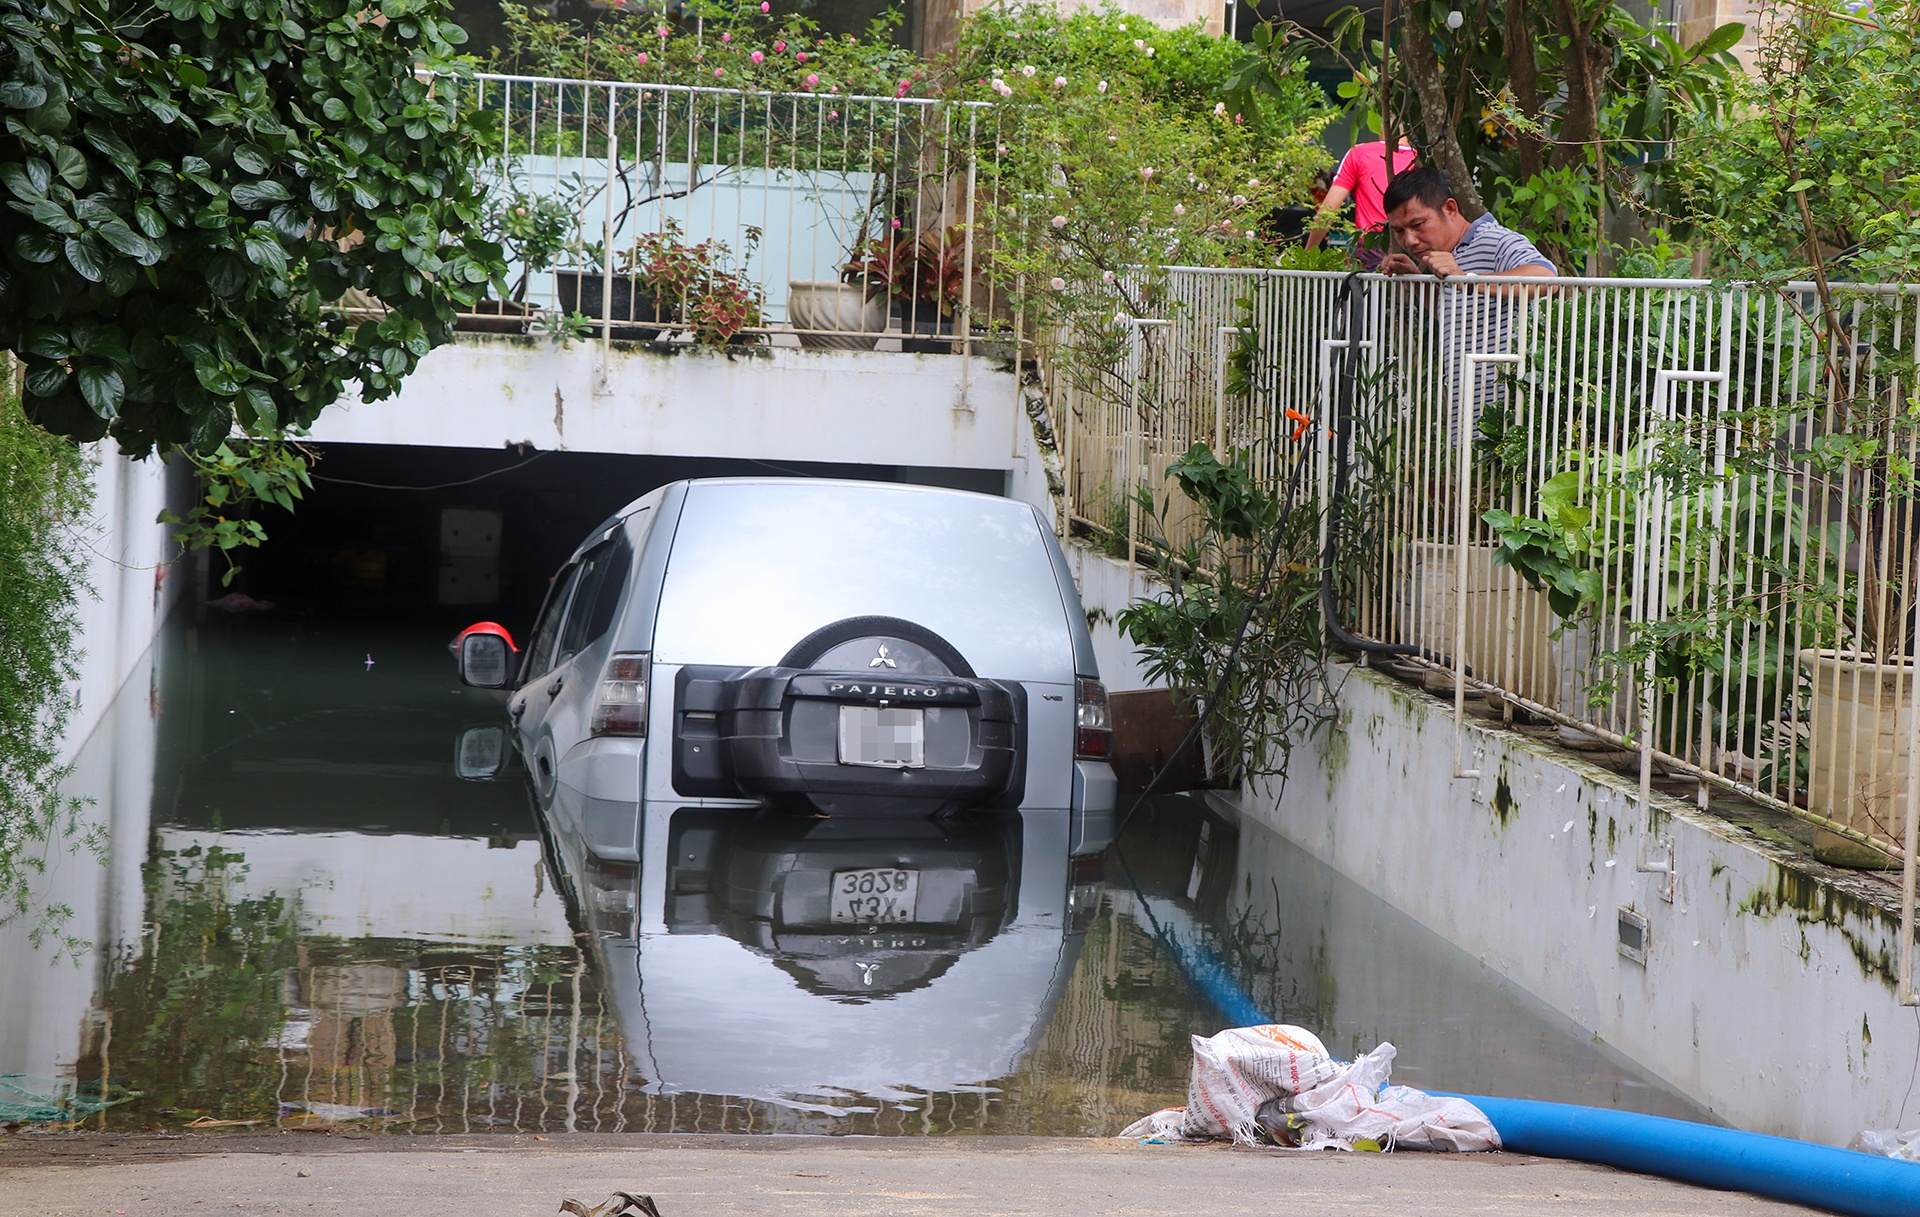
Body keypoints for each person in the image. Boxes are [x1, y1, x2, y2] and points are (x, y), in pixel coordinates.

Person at [1377, 167, 1556, 281]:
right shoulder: (1450, 254)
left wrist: (1466, 280)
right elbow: (1456, 320)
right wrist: (1415, 281)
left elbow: (1546, 276)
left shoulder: (1492, 239)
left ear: (1449, 209)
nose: (1409, 240)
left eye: (1417, 225)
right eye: (1399, 231)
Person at [1304, 137, 1418, 265]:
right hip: (1417, 242)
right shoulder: (1423, 158)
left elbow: (1329, 209)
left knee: (1374, 284)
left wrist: (1308, 256)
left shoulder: (1360, 153)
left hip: (1374, 244)